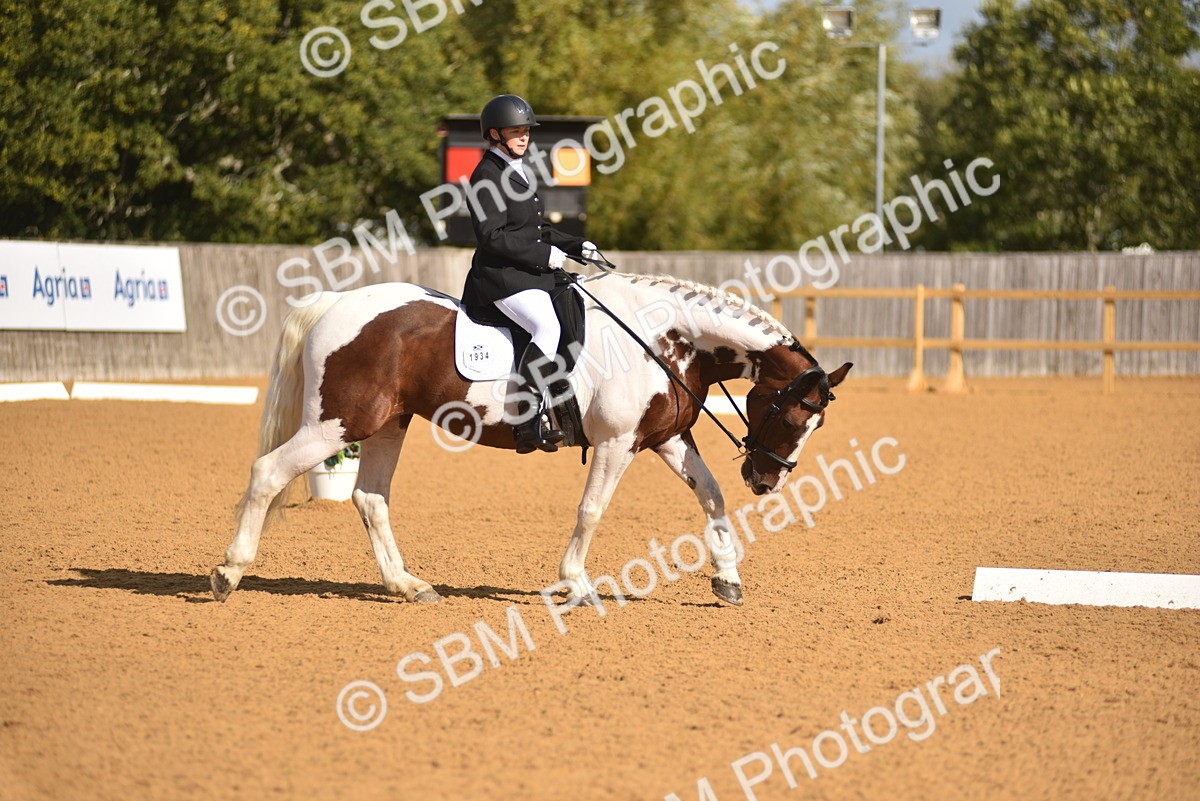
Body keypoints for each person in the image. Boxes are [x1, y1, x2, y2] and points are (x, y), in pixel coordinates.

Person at [462, 94, 600, 454]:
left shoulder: (517, 169)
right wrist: (546, 255)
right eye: (516, 131)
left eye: (526, 131)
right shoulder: (486, 176)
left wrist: (575, 245)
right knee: (547, 326)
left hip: (525, 271)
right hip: (500, 277)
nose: (524, 137)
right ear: (494, 135)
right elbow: (492, 236)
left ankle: (564, 404)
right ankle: (525, 422)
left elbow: (534, 229)